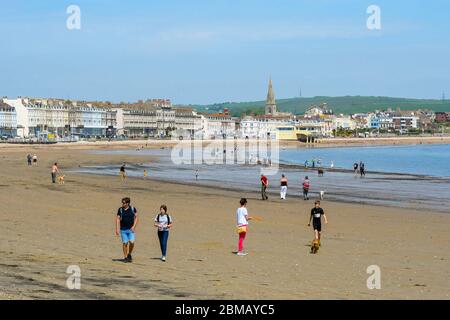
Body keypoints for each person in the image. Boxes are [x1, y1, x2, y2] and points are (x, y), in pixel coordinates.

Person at [115, 197, 138, 263]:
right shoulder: (120, 210)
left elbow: (136, 217)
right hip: (123, 230)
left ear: (128, 203)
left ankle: (129, 254)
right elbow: (117, 219)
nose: (122, 204)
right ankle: (125, 257)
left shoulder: (133, 209)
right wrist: (117, 229)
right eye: (122, 202)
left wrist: (134, 226)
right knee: (125, 243)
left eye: (124, 203)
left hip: (131, 230)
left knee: (132, 242)